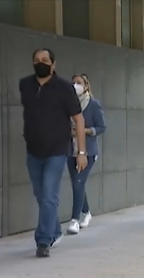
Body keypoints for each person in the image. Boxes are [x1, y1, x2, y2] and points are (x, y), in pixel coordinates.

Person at [19, 48, 88, 258]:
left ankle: (43, 240)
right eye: (37, 60)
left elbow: (78, 119)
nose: (41, 63)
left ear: (53, 64)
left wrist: (81, 152)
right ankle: (55, 230)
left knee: (49, 196)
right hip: (33, 151)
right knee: (41, 196)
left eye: (45, 60)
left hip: (57, 151)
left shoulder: (64, 88)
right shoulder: (25, 85)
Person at [67, 74, 106, 235]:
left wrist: (86, 131)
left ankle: (74, 220)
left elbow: (102, 127)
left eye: (79, 83)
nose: (76, 85)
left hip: (88, 152)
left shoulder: (93, 104)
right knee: (77, 184)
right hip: (71, 150)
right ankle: (87, 212)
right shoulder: (68, 104)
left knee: (78, 183)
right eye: (73, 83)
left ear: (86, 86)